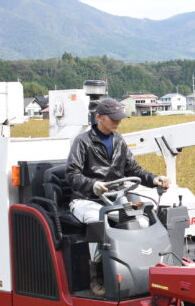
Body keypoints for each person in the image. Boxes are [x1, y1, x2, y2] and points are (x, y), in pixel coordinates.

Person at [66, 98, 170, 294]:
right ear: (99, 118)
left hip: (115, 198)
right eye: (113, 118)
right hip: (86, 199)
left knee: (141, 219)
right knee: (100, 222)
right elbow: (72, 175)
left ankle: (142, 269)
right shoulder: (83, 142)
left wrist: (154, 179)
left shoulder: (119, 140)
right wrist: (93, 185)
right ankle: (98, 274)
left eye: (119, 118)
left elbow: (134, 170)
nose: (117, 122)